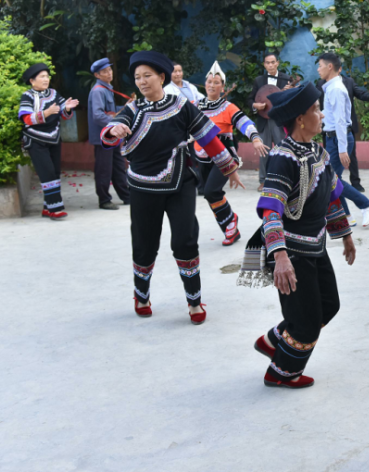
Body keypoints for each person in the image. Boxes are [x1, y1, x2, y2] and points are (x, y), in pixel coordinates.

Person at [101, 51, 238, 324]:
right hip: (143, 187)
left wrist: (228, 167)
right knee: (144, 243)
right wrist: (112, 132)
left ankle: (194, 302)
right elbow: (113, 130)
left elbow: (207, 136)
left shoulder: (181, 105)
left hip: (180, 184)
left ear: (161, 77)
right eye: (138, 77)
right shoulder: (132, 109)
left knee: (185, 240)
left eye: (147, 76)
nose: (141, 82)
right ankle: (141, 295)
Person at [243, 82, 358, 389]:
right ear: (300, 120)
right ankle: (281, 372)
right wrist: (279, 257)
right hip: (289, 252)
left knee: (329, 306)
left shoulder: (318, 152)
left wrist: (344, 234)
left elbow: (331, 197)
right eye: (316, 110)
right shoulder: (283, 157)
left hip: (315, 246)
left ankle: (274, 340)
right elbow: (271, 210)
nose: (321, 114)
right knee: (306, 324)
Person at [195, 61, 268, 246]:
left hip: (224, 158)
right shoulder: (195, 106)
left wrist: (256, 138)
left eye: (216, 82)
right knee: (210, 194)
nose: (211, 85)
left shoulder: (228, 107)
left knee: (212, 191)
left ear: (223, 87)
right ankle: (231, 223)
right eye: (209, 81)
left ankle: (229, 225)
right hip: (201, 158)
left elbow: (245, 123)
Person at [316, 52, 369, 227]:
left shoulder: (336, 89)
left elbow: (341, 121)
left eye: (320, 65)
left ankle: (367, 205)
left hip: (338, 139)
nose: (318, 69)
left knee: (331, 180)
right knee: (332, 179)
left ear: (330, 67)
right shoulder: (330, 87)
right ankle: (345, 216)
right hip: (332, 138)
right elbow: (330, 115)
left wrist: (343, 149)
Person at [18, 63, 79, 220]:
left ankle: (47, 208)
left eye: (47, 76)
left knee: (55, 172)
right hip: (35, 139)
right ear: (32, 81)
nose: (46, 79)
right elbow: (26, 119)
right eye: (42, 77)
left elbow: (64, 115)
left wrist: (66, 108)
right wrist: (46, 113)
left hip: (53, 137)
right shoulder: (27, 96)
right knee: (47, 173)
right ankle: (56, 208)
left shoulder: (53, 93)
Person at [316, 72, 369, 193]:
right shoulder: (321, 84)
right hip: (329, 129)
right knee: (331, 165)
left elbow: (361, 94)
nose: (319, 69)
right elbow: (315, 100)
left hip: (345, 128)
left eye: (321, 66)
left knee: (350, 157)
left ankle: (356, 182)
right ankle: (338, 194)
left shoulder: (347, 82)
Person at [87, 58, 131, 210]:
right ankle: (104, 200)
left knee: (118, 166)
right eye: (104, 72)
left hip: (111, 136)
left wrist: (124, 107)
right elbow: (98, 115)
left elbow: (109, 110)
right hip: (103, 137)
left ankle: (126, 196)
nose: (109, 73)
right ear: (97, 75)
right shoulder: (99, 91)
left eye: (110, 70)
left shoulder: (106, 88)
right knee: (104, 169)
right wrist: (115, 123)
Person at [250, 52, 292, 192]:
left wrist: (289, 92)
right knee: (264, 150)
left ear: (277, 63)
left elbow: (292, 99)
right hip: (263, 119)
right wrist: (255, 105)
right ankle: (263, 181)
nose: (270, 65)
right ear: (264, 65)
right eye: (267, 63)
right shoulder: (259, 81)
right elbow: (250, 99)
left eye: (273, 62)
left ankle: (285, 180)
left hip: (279, 119)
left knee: (282, 150)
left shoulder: (287, 79)